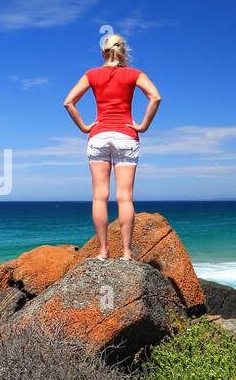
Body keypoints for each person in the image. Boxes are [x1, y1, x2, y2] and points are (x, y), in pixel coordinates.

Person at [62, 34, 161, 259]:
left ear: (103, 52)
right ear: (124, 51)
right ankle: (126, 252)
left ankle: (103, 251)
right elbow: (155, 97)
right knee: (124, 197)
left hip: (98, 136)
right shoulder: (134, 74)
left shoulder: (92, 74)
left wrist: (84, 127)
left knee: (99, 197)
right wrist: (143, 125)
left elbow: (68, 102)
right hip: (126, 135)